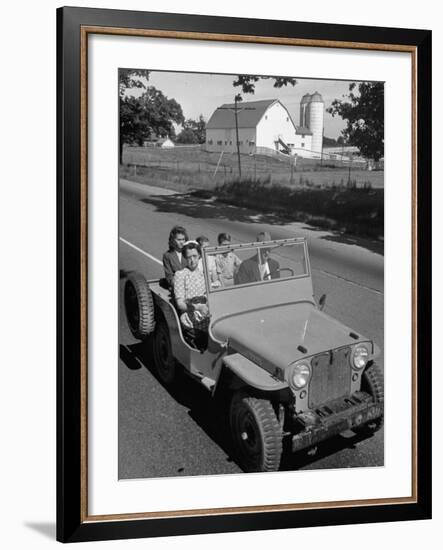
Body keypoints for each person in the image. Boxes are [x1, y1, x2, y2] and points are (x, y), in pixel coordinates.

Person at [173, 241, 209, 350]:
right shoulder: (180, 275)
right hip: (191, 319)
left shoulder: (204, 273)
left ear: (199, 256)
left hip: (206, 315)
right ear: (184, 258)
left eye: (194, 256)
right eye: (189, 257)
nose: (192, 260)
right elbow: (180, 304)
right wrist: (198, 307)